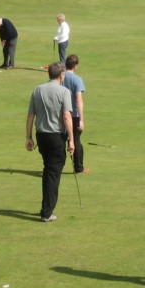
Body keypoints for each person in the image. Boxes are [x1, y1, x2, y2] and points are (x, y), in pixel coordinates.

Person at [25, 62, 74, 222]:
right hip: (55, 137)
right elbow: (67, 117)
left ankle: (46, 206)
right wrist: (71, 141)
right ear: (61, 76)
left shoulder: (37, 89)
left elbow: (30, 116)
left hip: (41, 136)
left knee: (48, 170)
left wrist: (28, 137)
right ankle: (46, 212)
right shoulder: (64, 91)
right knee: (53, 174)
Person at [62, 54, 88, 174]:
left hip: (61, 113)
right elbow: (78, 99)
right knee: (76, 140)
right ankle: (79, 167)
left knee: (63, 139)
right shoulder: (77, 79)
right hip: (74, 115)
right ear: (75, 66)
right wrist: (82, 119)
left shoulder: (60, 77)